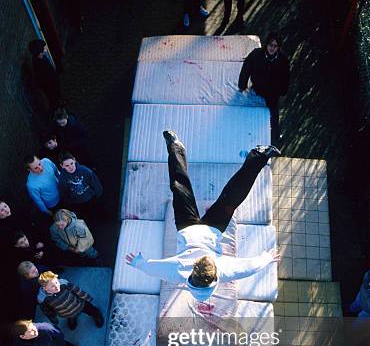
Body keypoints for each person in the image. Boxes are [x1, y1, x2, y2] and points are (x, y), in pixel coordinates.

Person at [126, 130, 280, 301]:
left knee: (179, 188)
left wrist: (138, 263)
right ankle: (259, 155)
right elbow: (249, 267)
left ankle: (175, 147)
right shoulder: (226, 270)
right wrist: (266, 258)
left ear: (192, 272)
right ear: (215, 274)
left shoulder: (176, 271)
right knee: (233, 197)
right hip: (213, 228)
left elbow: (153, 268)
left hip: (187, 227)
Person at [238, 31, 290, 144]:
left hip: (272, 93)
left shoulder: (283, 60)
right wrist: (242, 85)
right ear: (266, 44)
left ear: (278, 47)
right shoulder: (256, 54)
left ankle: (276, 134)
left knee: (274, 115)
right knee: (247, 111)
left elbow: (286, 78)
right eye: (270, 45)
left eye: (275, 46)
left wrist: (282, 92)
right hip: (257, 88)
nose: (272, 48)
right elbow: (246, 69)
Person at [37, 270, 104, 330]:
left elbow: (77, 290)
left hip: (79, 304)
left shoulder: (63, 283)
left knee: (90, 309)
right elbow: (47, 311)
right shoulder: (42, 299)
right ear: (45, 288)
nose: (57, 287)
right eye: (52, 286)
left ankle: (96, 313)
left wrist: (87, 297)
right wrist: (54, 319)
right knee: (71, 315)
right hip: (65, 313)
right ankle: (72, 318)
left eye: (56, 282)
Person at [58, 152, 102, 220]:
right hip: (77, 203)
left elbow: (95, 183)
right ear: (62, 166)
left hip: (90, 198)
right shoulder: (62, 179)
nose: (70, 167)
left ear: (74, 160)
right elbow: (64, 193)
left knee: (95, 212)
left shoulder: (85, 170)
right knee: (84, 216)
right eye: (67, 166)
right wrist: (70, 203)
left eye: (71, 163)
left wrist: (98, 194)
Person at [28, 39, 60, 111]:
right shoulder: (39, 63)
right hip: (50, 85)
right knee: (53, 99)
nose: (46, 48)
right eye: (44, 47)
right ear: (40, 51)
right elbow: (43, 78)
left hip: (52, 82)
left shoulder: (41, 57)